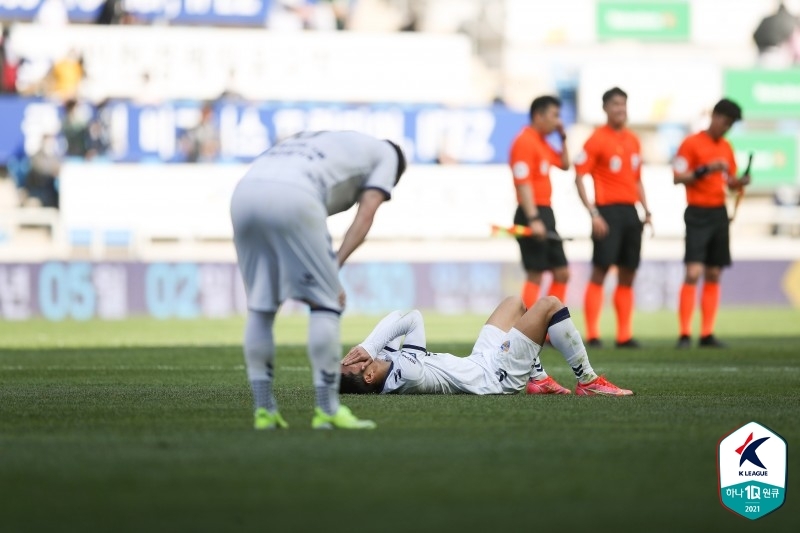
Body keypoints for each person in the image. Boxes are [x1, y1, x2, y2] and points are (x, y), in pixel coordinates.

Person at [230, 130, 407, 430]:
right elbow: (365, 216)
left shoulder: (332, 139)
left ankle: (264, 411)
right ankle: (326, 409)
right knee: (327, 303)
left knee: (261, 307)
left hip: (244, 193)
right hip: (296, 194)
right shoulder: (389, 155)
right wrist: (332, 269)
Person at [340, 295, 633, 397]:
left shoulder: (385, 364)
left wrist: (369, 345)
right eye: (351, 361)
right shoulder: (407, 374)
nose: (351, 356)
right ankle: (588, 381)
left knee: (514, 303)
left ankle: (539, 379)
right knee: (549, 305)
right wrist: (369, 344)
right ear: (367, 376)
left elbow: (394, 317)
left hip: (480, 360)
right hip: (495, 377)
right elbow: (413, 319)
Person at [574, 87, 651, 349]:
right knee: (601, 270)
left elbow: (636, 178)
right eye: (616, 104)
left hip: (631, 212)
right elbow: (579, 176)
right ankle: (593, 334)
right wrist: (593, 212)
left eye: (624, 104)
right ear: (606, 108)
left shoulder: (633, 140)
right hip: (606, 212)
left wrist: (646, 210)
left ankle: (624, 335)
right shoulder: (596, 139)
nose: (621, 109)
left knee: (628, 272)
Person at [672, 99, 749, 349]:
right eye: (725, 122)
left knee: (714, 273)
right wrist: (707, 169)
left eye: (730, 125)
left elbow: (729, 182)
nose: (726, 128)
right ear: (714, 116)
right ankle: (684, 333)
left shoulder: (726, 147)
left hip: (718, 212)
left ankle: (707, 333)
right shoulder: (691, 143)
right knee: (693, 272)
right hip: (697, 213)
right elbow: (678, 177)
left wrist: (740, 182)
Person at [508, 95, 571, 309]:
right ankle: (525, 328)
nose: (558, 121)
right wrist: (533, 217)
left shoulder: (542, 142)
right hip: (531, 213)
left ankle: (548, 326)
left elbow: (565, 164)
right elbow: (522, 182)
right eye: (554, 115)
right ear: (538, 115)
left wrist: (563, 138)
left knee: (562, 273)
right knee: (536, 273)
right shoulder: (524, 141)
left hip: (545, 212)